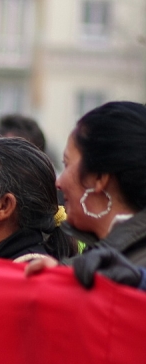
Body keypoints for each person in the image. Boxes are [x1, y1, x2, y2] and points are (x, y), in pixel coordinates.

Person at [25, 101, 146, 289]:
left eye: (66, 165)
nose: (58, 182)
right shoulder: (95, 264)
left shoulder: (130, 278)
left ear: (98, 178)